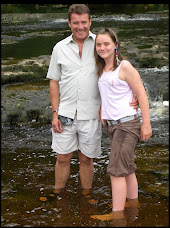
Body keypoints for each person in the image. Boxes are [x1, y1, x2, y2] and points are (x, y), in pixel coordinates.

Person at [42, 5, 138, 201]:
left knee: (86, 158)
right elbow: (53, 81)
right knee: (62, 157)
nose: (80, 26)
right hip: (65, 113)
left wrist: (135, 92)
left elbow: (120, 69)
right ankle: (58, 192)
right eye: (75, 22)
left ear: (90, 22)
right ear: (69, 23)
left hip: (92, 113)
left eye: (84, 22)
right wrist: (54, 113)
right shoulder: (59, 48)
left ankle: (86, 194)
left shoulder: (100, 45)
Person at [91, 28, 152, 220]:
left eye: (106, 44)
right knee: (127, 168)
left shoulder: (124, 66)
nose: (102, 48)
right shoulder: (102, 68)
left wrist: (146, 124)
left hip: (127, 125)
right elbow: (109, 94)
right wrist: (102, 110)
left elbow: (141, 94)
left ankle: (116, 214)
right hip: (112, 126)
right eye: (99, 44)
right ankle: (133, 204)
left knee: (116, 170)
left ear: (115, 45)